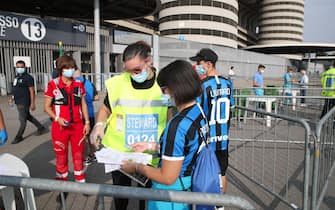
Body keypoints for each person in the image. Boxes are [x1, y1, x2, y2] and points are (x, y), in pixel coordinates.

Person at [90, 41, 169, 210]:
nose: (133, 74)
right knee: (121, 197)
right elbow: (105, 108)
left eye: (137, 70)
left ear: (149, 61)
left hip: (150, 154)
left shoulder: (164, 84)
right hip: (120, 154)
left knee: (146, 199)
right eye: (129, 70)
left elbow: (171, 116)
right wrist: (98, 125)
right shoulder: (118, 83)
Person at [121, 60, 205, 210]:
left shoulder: (177, 125)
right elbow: (184, 148)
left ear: (177, 88)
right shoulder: (198, 111)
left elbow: (167, 177)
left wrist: (137, 167)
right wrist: (151, 146)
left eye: (164, 89)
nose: (162, 94)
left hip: (169, 196)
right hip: (186, 187)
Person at [190, 48, 235, 195]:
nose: (196, 66)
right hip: (223, 138)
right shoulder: (227, 83)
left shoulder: (202, 86)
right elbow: (231, 107)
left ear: (209, 64)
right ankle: (220, 205)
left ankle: (203, 203)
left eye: (199, 63)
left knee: (201, 172)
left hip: (206, 140)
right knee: (221, 173)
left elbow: (196, 111)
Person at [44, 55, 90, 187]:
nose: (70, 70)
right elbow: (46, 107)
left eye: (72, 67)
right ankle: (62, 183)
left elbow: (83, 104)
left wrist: (87, 122)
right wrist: (57, 118)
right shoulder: (53, 84)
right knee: (61, 157)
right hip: (60, 128)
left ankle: (80, 181)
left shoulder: (79, 84)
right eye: (67, 68)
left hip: (78, 126)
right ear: (61, 69)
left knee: (78, 155)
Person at [10, 60, 47, 144]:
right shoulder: (16, 77)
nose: (19, 68)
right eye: (18, 67)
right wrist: (12, 97)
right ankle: (40, 127)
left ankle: (19, 136)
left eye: (21, 67)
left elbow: (31, 91)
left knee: (22, 120)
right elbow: (15, 89)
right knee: (27, 116)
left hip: (24, 102)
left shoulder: (28, 77)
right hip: (18, 101)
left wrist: (33, 103)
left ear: (25, 67)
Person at [73, 69, 99, 165]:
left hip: (80, 115)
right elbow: (96, 97)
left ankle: (85, 157)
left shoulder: (74, 83)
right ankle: (93, 155)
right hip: (90, 113)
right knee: (91, 136)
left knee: (82, 137)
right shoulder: (89, 83)